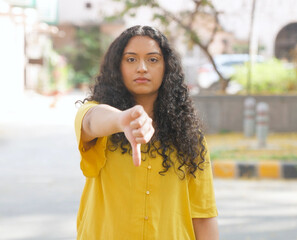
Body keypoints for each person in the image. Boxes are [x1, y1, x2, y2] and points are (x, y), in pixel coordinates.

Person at [74, 25, 218, 240]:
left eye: (152, 59)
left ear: (166, 67)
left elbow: (203, 215)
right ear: (117, 67)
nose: (142, 68)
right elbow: (90, 122)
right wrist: (121, 120)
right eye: (131, 59)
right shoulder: (99, 118)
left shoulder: (189, 136)